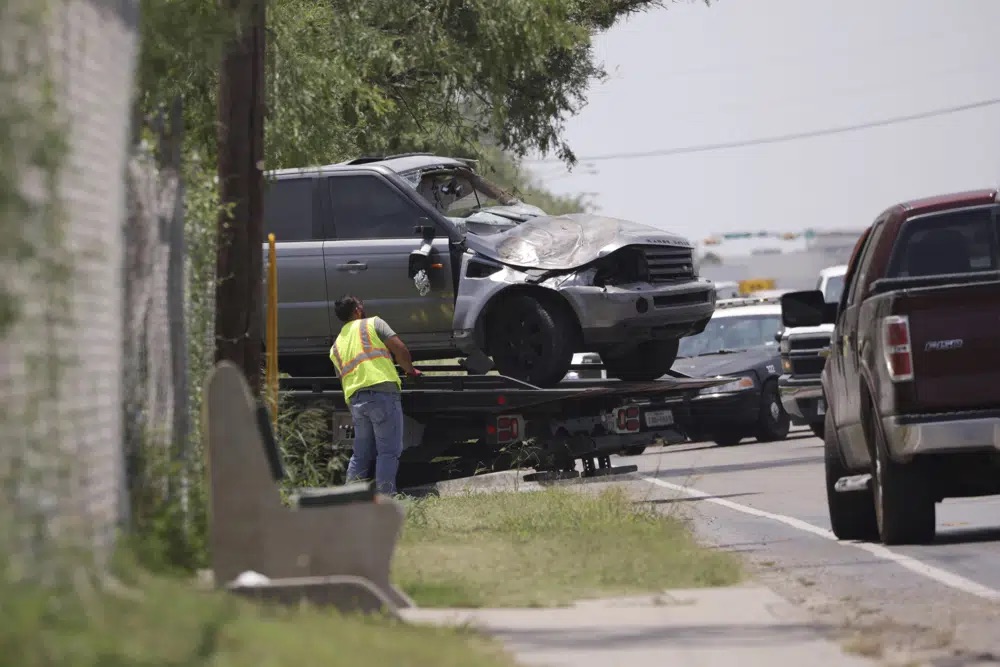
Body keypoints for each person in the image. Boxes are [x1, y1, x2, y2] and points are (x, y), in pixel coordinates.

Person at [329, 295, 421, 495]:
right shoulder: (373, 323)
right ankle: (386, 499)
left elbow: (343, 378)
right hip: (382, 394)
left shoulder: (335, 346)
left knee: (360, 454)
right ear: (357, 310)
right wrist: (410, 371)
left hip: (356, 402)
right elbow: (401, 350)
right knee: (387, 452)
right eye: (360, 305)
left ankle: (351, 499)